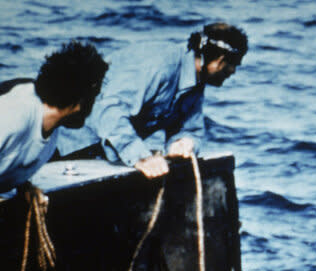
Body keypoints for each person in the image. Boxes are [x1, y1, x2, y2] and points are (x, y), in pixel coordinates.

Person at [56, 22, 248, 179]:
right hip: (65, 147)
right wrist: (142, 158)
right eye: (234, 65)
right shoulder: (160, 65)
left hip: (104, 157)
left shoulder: (195, 82)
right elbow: (109, 110)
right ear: (221, 60)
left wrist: (183, 142)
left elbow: (191, 129)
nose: (233, 72)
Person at [0, 41, 108, 193]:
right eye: (95, 96)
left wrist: (25, 188)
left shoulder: (50, 129)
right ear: (80, 101)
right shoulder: (16, 113)